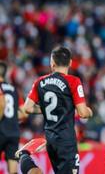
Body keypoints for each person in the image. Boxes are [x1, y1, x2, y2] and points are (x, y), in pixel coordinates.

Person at [23, 46, 93, 174]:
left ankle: (25, 159)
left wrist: (43, 109)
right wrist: (89, 111)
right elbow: (83, 113)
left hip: (50, 140)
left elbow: (27, 108)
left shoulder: (40, 81)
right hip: (66, 141)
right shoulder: (73, 81)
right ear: (70, 63)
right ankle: (25, 160)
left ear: (52, 63)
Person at [0, 61, 25, 174]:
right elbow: (23, 113)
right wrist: (13, 119)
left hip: (1, 130)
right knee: (13, 170)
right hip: (14, 132)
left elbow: (2, 104)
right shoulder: (13, 89)